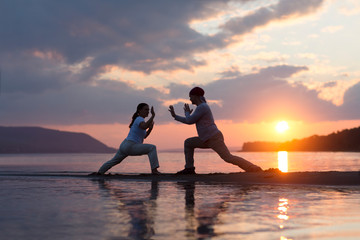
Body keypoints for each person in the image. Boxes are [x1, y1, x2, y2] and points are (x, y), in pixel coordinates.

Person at [168, 87, 262, 174]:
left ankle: (253, 168)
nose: (190, 99)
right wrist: (175, 116)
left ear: (195, 96)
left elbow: (189, 120)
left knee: (228, 157)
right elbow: (189, 120)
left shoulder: (202, 107)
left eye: (190, 97)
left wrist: (187, 113)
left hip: (214, 138)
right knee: (188, 143)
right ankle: (189, 169)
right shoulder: (200, 107)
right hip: (205, 139)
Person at [96, 103, 161, 175]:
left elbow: (144, 136)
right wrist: (153, 116)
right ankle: (154, 171)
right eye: (146, 109)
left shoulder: (139, 120)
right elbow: (144, 126)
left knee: (114, 161)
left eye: (148, 110)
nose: (148, 111)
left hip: (125, 145)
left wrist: (150, 129)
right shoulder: (139, 119)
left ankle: (99, 173)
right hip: (130, 145)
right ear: (139, 110)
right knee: (152, 148)